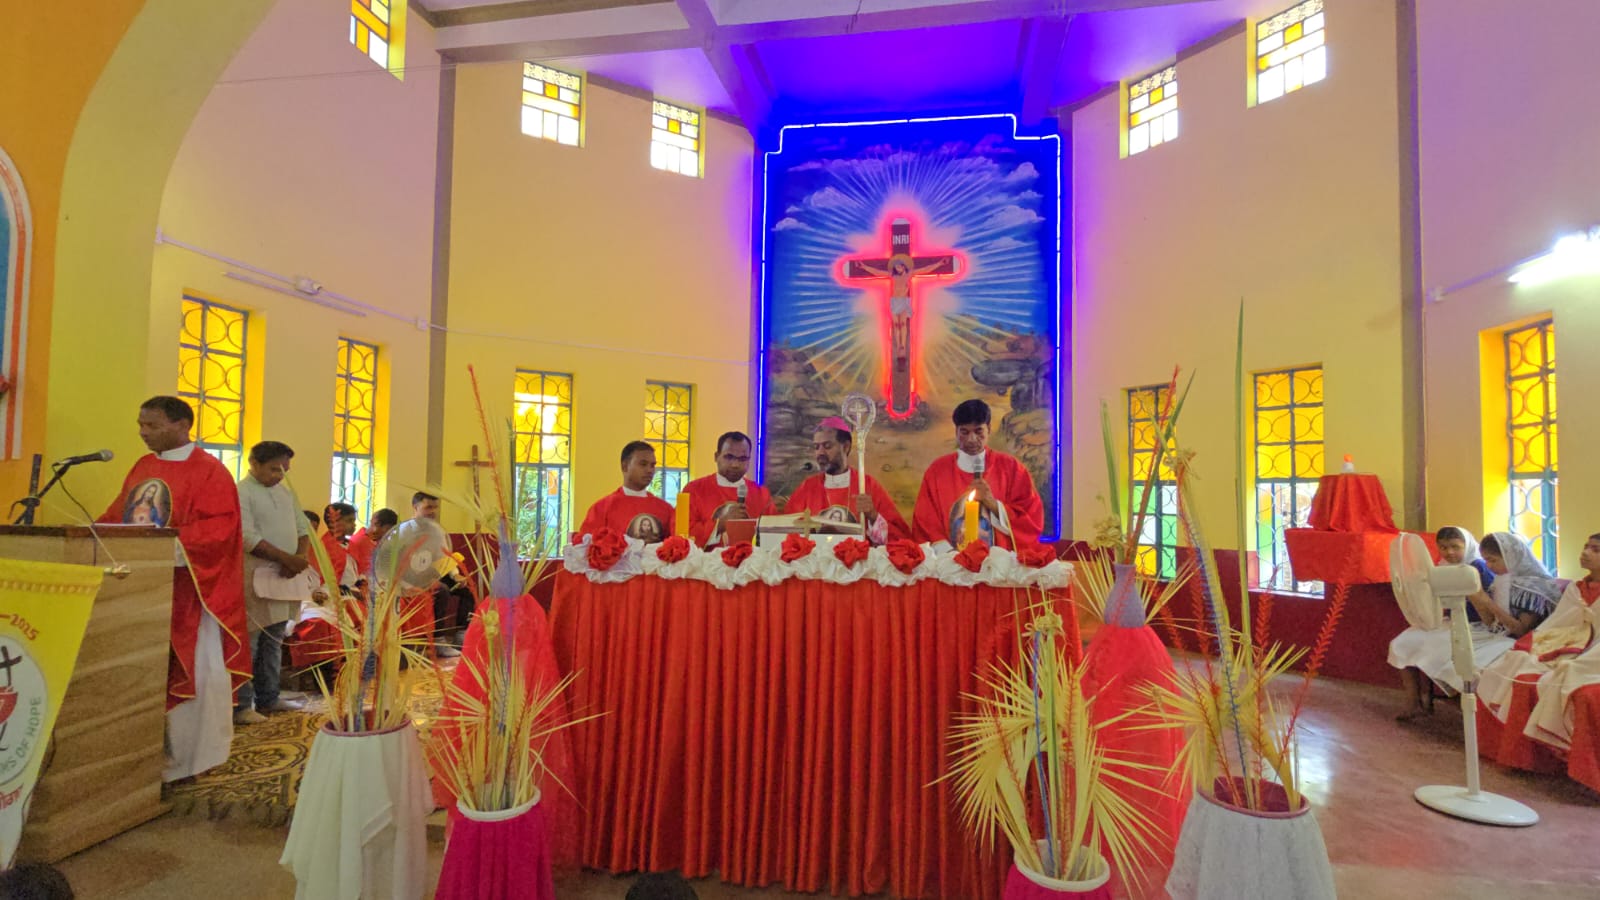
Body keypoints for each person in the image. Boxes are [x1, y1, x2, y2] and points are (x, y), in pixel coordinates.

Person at [97, 396, 250, 781]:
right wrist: (93, 534)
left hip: (190, 592)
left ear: (182, 425)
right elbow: (119, 514)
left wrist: (165, 545)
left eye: (152, 425)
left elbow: (219, 530)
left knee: (193, 673)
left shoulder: (210, 472)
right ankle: (140, 762)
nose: (143, 432)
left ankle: (190, 762)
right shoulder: (143, 466)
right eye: (140, 424)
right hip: (141, 588)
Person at [1391, 531, 1559, 712]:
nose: (1489, 565)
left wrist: (1486, 601)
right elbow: (1490, 622)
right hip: (1496, 634)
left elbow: (1520, 631)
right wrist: (1477, 598)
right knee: (1445, 648)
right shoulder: (1501, 579)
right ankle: (1430, 703)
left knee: (1465, 659)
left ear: (1511, 557)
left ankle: (1472, 710)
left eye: (1493, 560)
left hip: (1519, 641)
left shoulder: (1534, 587)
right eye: (1486, 560)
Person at [1480, 532, 1600, 747]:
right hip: (1567, 645)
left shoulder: (1535, 586)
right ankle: (1514, 749)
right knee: (1518, 663)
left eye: (1595, 550)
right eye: (1586, 546)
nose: (1585, 553)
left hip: (1592, 656)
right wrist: (1535, 644)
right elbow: (1558, 624)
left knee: (1555, 679)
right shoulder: (1577, 589)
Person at [234, 441, 312, 725]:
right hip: (254, 574)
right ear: (254, 463)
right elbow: (247, 536)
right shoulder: (241, 492)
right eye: (274, 469)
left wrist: (299, 557)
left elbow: (303, 529)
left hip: (285, 576)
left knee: (274, 639)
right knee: (251, 642)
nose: (280, 476)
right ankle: (242, 705)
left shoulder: (285, 492)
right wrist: (286, 559)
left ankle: (269, 697)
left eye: (284, 470)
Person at [1388, 527, 1495, 719]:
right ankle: (1414, 702)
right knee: (1403, 642)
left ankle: (1461, 704)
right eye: (1444, 548)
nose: (1450, 552)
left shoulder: (1478, 568)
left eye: (1455, 547)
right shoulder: (1441, 567)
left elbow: (1488, 609)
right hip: (1449, 621)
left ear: (1467, 545)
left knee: (1448, 651)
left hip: (1478, 626)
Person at [911, 398, 1043, 550]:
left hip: (998, 559)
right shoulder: (937, 471)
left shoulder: (1011, 468)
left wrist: (993, 504)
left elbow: (1031, 518)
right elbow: (926, 522)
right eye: (964, 432)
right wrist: (950, 556)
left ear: (989, 429)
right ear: (956, 432)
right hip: (949, 560)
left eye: (978, 431)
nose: (972, 439)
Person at [782, 417, 909, 544]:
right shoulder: (807, 488)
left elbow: (900, 539)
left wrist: (873, 516)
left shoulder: (867, 485)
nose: (820, 453)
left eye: (827, 446)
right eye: (816, 447)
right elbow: (784, 532)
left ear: (846, 447)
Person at [681, 431, 773, 547]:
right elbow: (683, 533)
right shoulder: (694, 490)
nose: (735, 465)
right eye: (729, 457)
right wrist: (719, 525)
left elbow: (773, 534)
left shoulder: (761, 494)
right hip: (707, 558)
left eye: (743, 459)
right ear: (716, 457)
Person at [410, 491, 473, 658]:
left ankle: (461, 635)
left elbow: (444, 556)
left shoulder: (437, 531)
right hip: (415, 577)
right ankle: (439, 641)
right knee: (442, 591)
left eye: (435, 507)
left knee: (466, 589)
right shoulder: (407, 532)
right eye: (428, 507)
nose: (432, 511)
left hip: (436, 573)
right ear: (415, 507)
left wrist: (455, 575)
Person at [578, 441, 675, 542]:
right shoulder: (602, 508)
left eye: (652, 465)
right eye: (643, 464)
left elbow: (675, 545)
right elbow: (585, 546)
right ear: (624, 467)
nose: (649, 470)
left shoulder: (665, 509)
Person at [347, 507, 397, 578]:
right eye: (388, 529)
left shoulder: (378, 541)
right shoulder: (359, 542)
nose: (389, 533)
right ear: (377, 524)